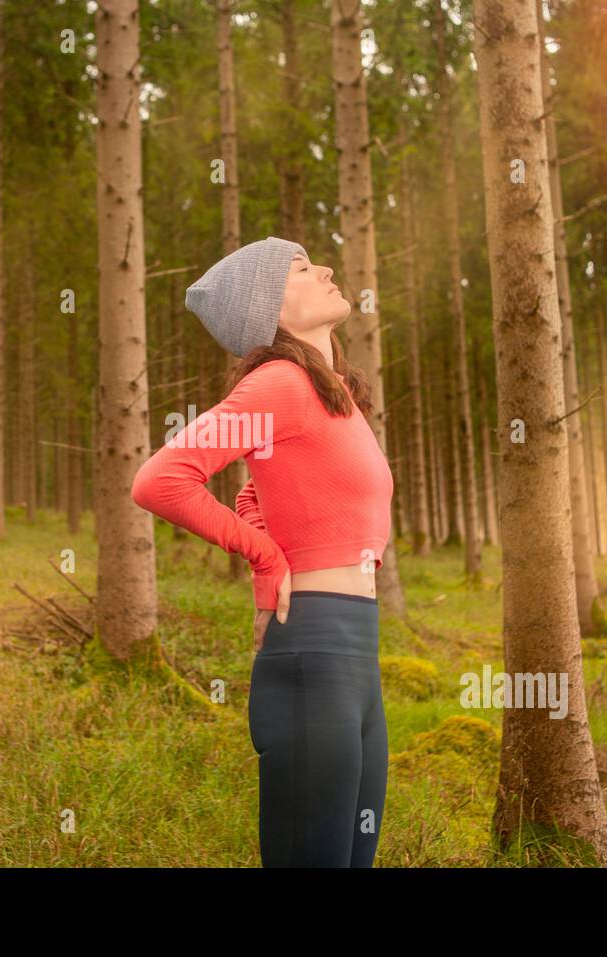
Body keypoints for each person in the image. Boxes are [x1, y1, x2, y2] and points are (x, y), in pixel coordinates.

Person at [130, 236, 394, 867]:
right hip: (312, 651)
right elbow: (160, 479)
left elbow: (258, 488)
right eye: (303, 269)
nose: (326, 268)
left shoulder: (332, 396)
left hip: (356, 651)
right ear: (269, 309)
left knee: (354, 857)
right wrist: (266, 560)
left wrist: (262, 535)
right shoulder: (280, 383)